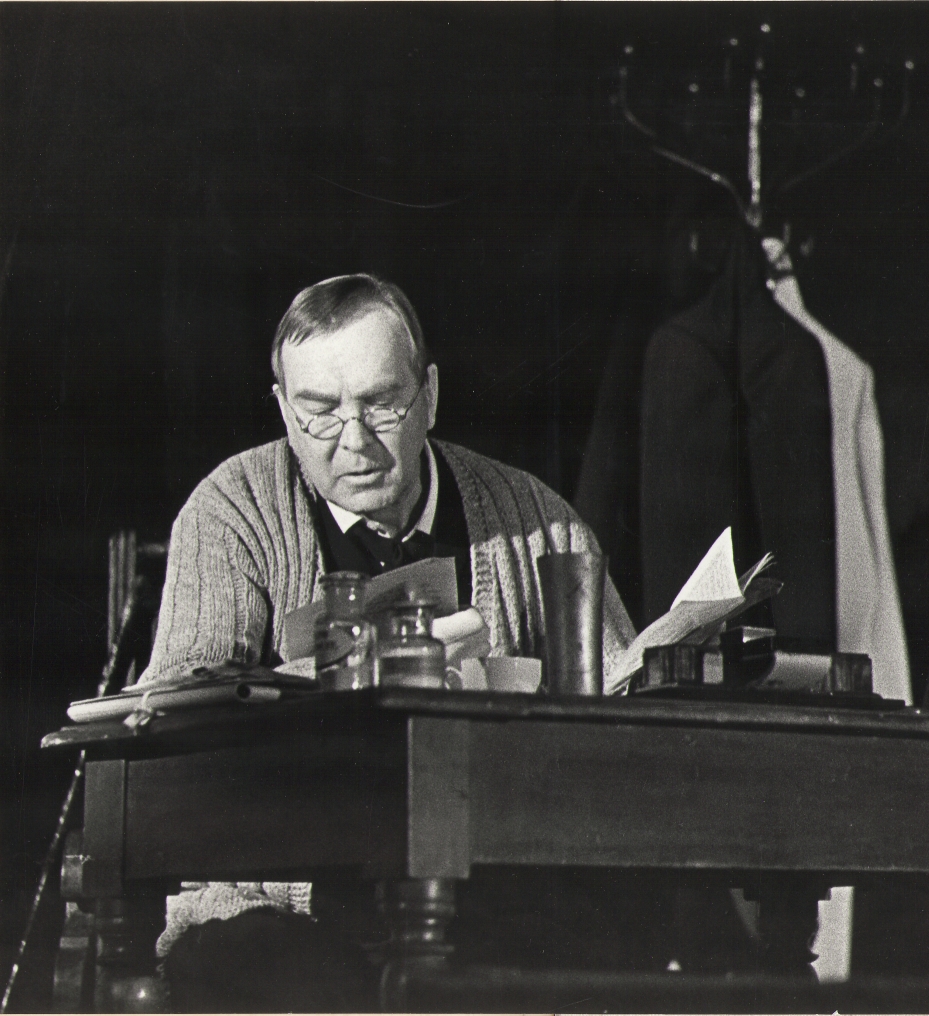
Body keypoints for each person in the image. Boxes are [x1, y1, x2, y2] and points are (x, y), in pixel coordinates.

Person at [134, 273, 651, 1009]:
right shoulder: (232, 511)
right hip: (279, 900)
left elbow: (622, 725)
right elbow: (180, 727)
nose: (354, 442)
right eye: (318, 412)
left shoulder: (537, 519)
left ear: (429, 395)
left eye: (382, 403)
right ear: (282, 407)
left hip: (491, 890)